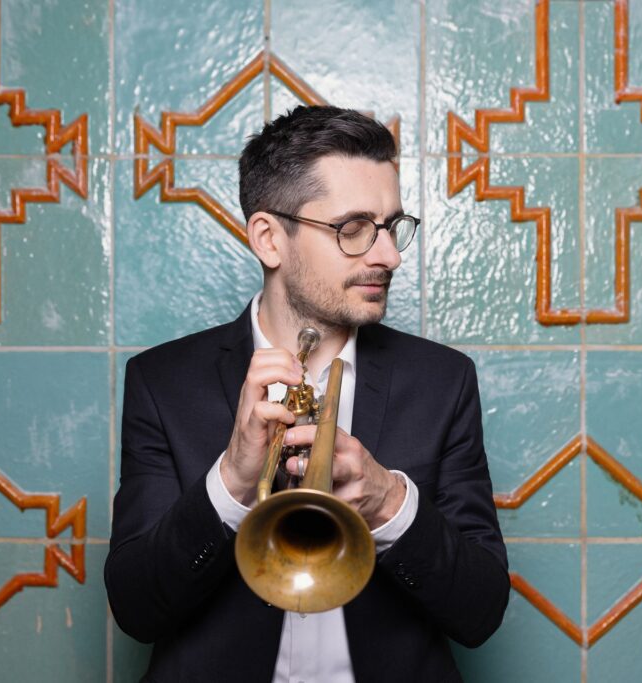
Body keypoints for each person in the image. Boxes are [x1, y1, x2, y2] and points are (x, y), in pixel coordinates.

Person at [105, 105, 509, 682]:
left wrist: (390, 504)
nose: (389, 256)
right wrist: (231, 483)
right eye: (353, 229)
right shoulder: (163, 381)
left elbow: (481, 612)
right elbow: (136, 609)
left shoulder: (442, 381)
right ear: (269, 238)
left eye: (392, 226)